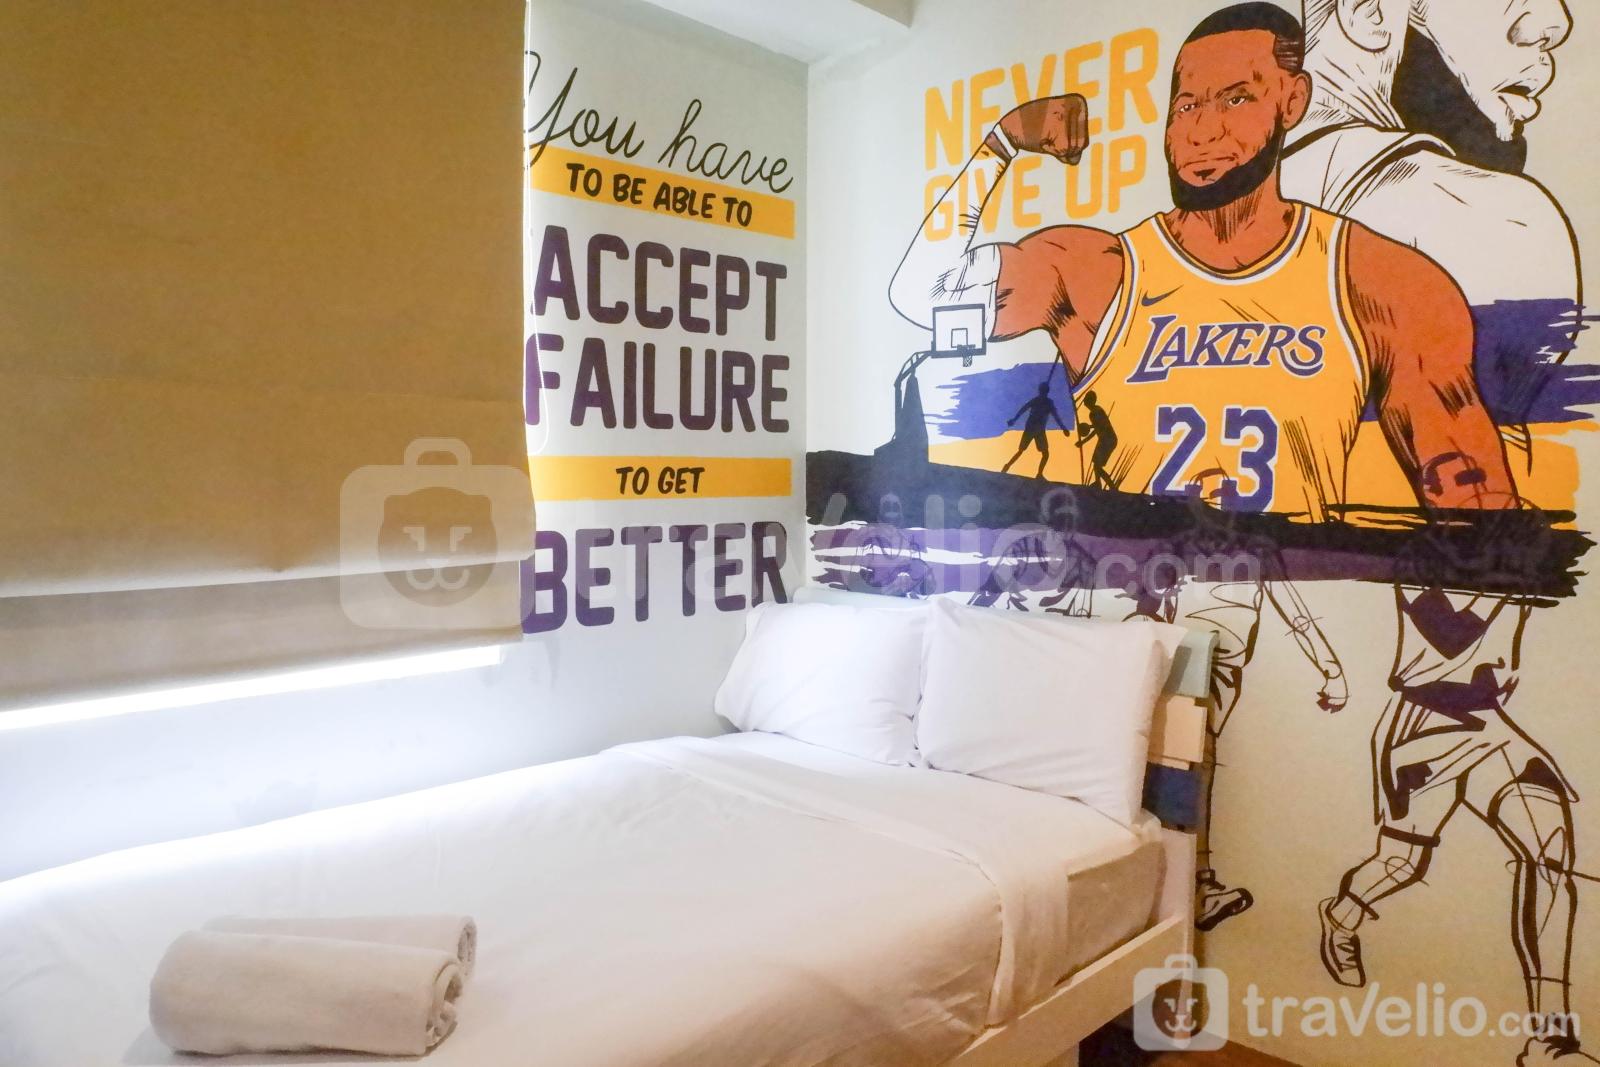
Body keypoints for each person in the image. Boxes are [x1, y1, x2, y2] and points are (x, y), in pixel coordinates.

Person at [887, 1, 1518, 934]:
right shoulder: (1099, 271)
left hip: (1235, 607)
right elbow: (917, 293)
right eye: (1186, 104)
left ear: (1293, 101)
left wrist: (1458, 686)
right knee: (1066, 838)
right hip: (1095, 623)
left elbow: (1472, 500)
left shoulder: (1381, 283)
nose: (1202, 130)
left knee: (1172, 812)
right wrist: (1003, 141)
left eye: (1236, 98)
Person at [1001, 382, 1071, 478]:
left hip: (1033, 429)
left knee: (1024, 451)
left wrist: (1014, 419)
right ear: (1047, 391)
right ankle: (1038, 473)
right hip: (1037, 430)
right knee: (1042, 454)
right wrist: (1064, 428)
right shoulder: (1046, 402)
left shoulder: (1040, 401)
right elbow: (1056, 417)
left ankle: (1008, 467)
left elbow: (1023, 409)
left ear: (1040, 390)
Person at [1073, 390, 1118, 490]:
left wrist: (1082, 442)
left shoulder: (1094, 413)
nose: (1084, 402)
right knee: (1096, 464)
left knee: (1097, 466)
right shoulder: (1096, 410)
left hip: (1107, 440)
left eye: (1086, 400)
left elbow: (1098, 429)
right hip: (1106, 439)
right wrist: (1090, 426)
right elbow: (1099, 425)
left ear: (1090, 401)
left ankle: (1112, 486)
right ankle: (1098, 483)